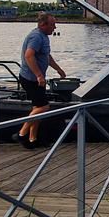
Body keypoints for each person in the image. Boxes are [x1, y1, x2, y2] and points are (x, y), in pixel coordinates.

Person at [17, 13, 66, 148]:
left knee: (38, 108)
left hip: (38, 80)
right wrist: (39, 75)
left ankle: (33, 139)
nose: (55, 27)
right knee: (44, 107)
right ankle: (21, 134)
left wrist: (58, 69)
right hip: (30, 78)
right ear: (43, 25)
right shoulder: (36, 36)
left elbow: (47, 56)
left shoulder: (44, 37)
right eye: (52, 24)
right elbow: (29, 55)